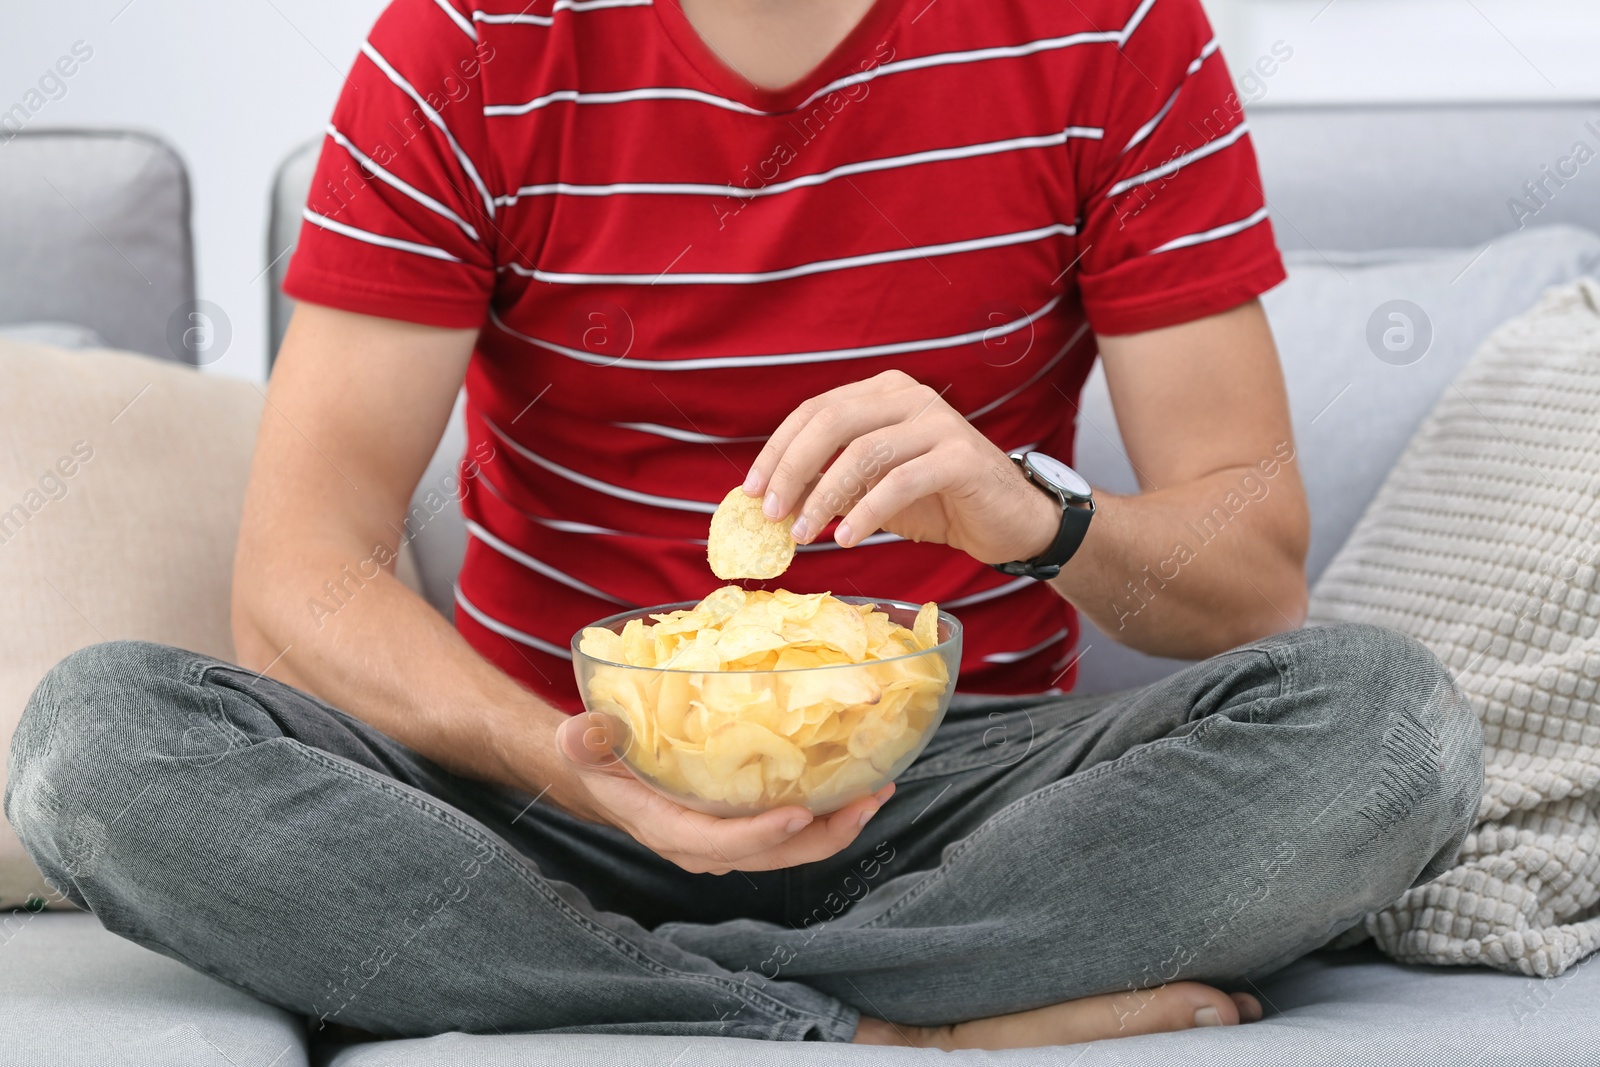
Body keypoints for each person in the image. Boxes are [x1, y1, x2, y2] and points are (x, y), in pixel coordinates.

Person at [5, 0, 1483, 1050]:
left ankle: (604, 992)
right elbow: (299, 581)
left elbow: (1251, 588)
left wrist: (1027, 510)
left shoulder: (1111, 33)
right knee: (94, 737)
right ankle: (882, 1012)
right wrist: (578, 773)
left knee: (1392, 722)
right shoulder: (465, 44)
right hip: (537, 793)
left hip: (955, 801)